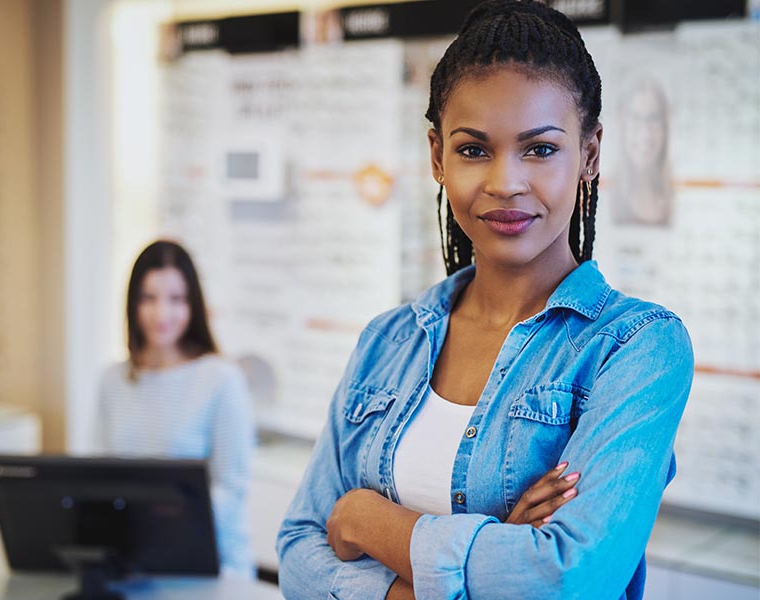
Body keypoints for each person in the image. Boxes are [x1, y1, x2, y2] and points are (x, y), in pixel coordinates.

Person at [277, 2, 693, 599]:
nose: (505, 182)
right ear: (437, 157)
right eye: (474, 149)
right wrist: (490, 547)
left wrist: (366, 520)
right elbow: (297, 553)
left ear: (590, 155)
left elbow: (567, 577)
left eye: (540, 149)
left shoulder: (636, 348)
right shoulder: (387, 340)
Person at [95, 240, 255, 578]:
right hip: (132, 561)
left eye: (176, 299)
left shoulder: (222, 380)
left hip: (208, 563)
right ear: (132, 304)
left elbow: (231, 489)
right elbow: (100, 474)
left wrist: (160, 525)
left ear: (192, 305)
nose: (161, 314)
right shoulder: (113, 380)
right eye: (148, 298)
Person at [611, 78, 675, 226]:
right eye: (635, 118)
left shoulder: (679, 198)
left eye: (653, 119)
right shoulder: (604, 196)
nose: (645, 133)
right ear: (622, 125)